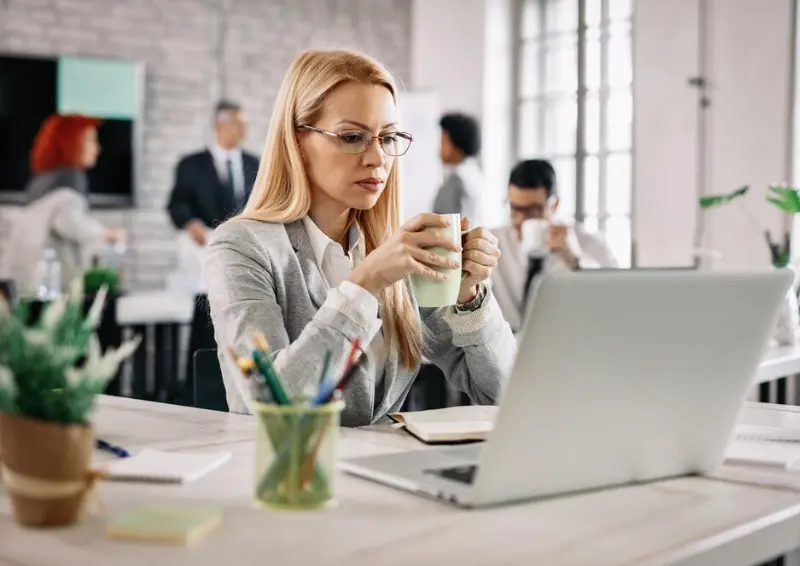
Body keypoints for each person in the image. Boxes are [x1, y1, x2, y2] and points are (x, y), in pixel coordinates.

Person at [205, 49, 516, 426]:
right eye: (353, 137)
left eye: (387, 138)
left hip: (387, 473)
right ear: (298, 142)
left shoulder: (399, 250)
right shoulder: (241, 247)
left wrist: (469, 298)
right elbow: (269, 402)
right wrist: (365, 284)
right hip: (292, 478)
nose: (378, 158)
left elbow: (504, 394)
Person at [0, 114, 126, 297]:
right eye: (91, 141)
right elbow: (70, 222)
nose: (97, 149)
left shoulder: (42, 181)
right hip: (47, 286)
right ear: (71, 143)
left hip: (21, 284)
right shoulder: (70, 180)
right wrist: (108, 234)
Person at [491, 159, 618, 332]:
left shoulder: (587, 244)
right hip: (507, 347)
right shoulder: (493, 243)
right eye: (515, 209)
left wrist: (575, 259)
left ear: (554, 204)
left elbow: (615, 299)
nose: (521, 219)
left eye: (532, 210)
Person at [166, 100, 259, 246]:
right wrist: (190, 223)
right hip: (204, 244)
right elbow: (177, 203)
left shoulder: (256, 164)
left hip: (244, 243)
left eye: (244, 123)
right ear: (219, 126)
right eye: (237, 123)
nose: (243, 128)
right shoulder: (190, 165)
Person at [432, 112, 483, 225]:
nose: (439, 149)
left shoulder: (456, 180)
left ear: (456, 144)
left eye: (443, 142)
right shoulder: (474, 173)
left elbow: (444, 225)